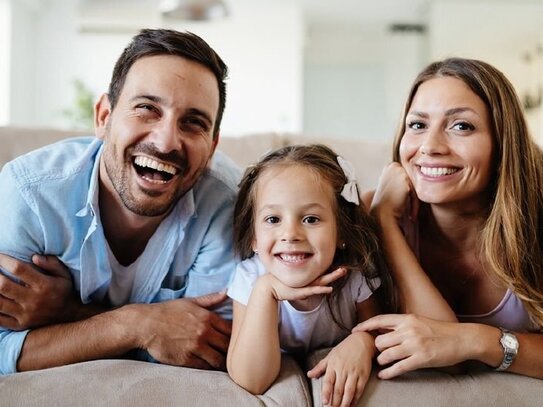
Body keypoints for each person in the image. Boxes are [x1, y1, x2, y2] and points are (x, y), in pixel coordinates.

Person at [0, 28, 241, 375]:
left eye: (193, 122)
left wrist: (68, 312)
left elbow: (207, 349)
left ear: (213, 146)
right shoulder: (29, 194)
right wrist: (137, 325)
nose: (167, 141)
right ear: (104, 117)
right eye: (147, 108)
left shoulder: (229, 205)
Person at [354, 57, 543, 380]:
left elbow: (450, 349)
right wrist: (384, 222)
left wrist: (476, 340)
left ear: (502, 144)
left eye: (461, 126)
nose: (430, 146)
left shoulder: (535, 218)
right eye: (417, 125)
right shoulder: (373, 211)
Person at [226, 144, 393, 406]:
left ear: (341, 233)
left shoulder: (355, 275)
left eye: (311, 219)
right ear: (254, 239)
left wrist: (362, 341)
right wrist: (265, 290)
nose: (290, 234)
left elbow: (377, 329)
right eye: (273, 219)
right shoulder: (249, 278)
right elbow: (253, 380)